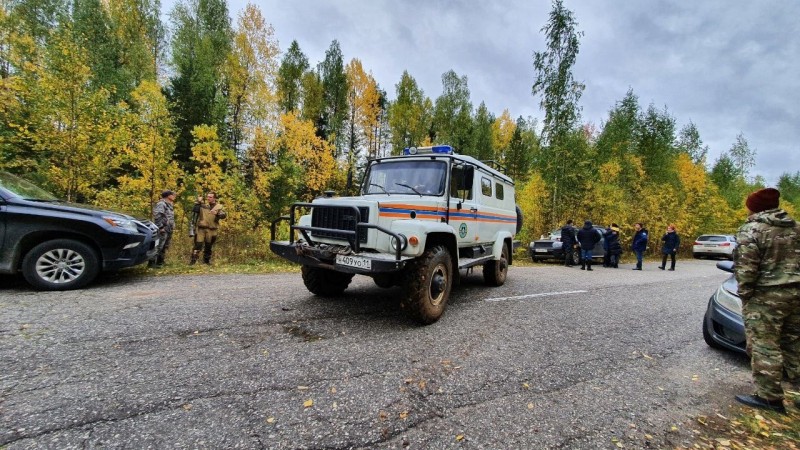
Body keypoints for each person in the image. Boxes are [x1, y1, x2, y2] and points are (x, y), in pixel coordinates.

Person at [733, 187, 800, 414]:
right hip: (797, 294)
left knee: (764, 344)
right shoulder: (796, 228)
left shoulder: (752, 230)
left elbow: (746, 268)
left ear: (754, 206)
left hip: (767, 296)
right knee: (795, 343)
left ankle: (769, 397)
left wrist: (745, 294)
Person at [190, 191, 227, 265]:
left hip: (212, 229)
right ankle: (193, 262)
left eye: (210, 197)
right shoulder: (202, 205)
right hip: (201, 229)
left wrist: (217, 214)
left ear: (214, 198)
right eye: (207, 197)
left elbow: (224, 215)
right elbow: (195, 210)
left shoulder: (219, 206)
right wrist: (198, 202)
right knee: (198, 245)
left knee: (208, 246)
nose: (208, 198)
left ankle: (206, 262)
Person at [150, 190, 176, 268]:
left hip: (168, 228)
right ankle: (152, 263)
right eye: (173, 195)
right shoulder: (161, 204)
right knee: (158, 246)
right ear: (168, 196)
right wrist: (160, 227)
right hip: (163, 228)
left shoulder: (169, 204)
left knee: (165, 246)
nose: (174, 196)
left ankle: (160, 262)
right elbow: (157, 216)